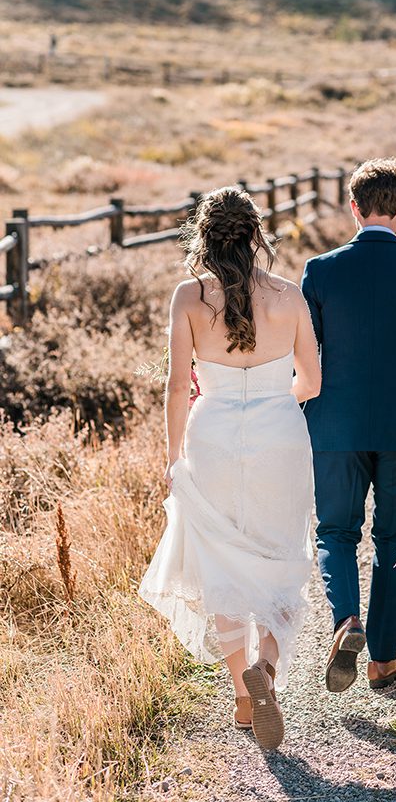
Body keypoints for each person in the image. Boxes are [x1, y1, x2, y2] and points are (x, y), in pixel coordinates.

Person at [139, 186, 320, 749]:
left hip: (212, 432)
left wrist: (172, 457)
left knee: (219, 559)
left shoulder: (187, 297)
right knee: (280, 548)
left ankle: (243, 694)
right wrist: (273, 399)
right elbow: (311, 383)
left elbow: (175, 385)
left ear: (204, 236)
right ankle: (267, 664)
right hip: (280, 432)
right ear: (255, 233)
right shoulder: (289, 295)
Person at [300, 158, 396, 694]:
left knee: (336, 531)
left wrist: (294, 414)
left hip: (334, 426)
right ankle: (383, 661)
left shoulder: (319, 271)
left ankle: (347, 619)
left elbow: (305, 356)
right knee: (393, 534)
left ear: (353, 207)